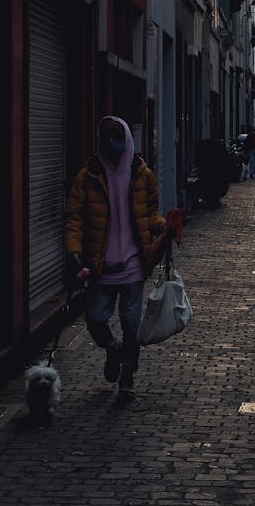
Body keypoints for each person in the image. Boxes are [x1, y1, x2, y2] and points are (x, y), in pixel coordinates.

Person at [65, 116, 177, 399]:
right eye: (108, 140)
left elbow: (150, 215)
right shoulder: (87, 176)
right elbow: (75, 217)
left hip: (133, 265)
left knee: (131, 324)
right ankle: (113, 350)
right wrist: (74, 249)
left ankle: (128, 375)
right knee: (95, 319)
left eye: (118, 139)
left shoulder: (143, 175)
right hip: (100, 266)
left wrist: (166, 226)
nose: (113, 145)